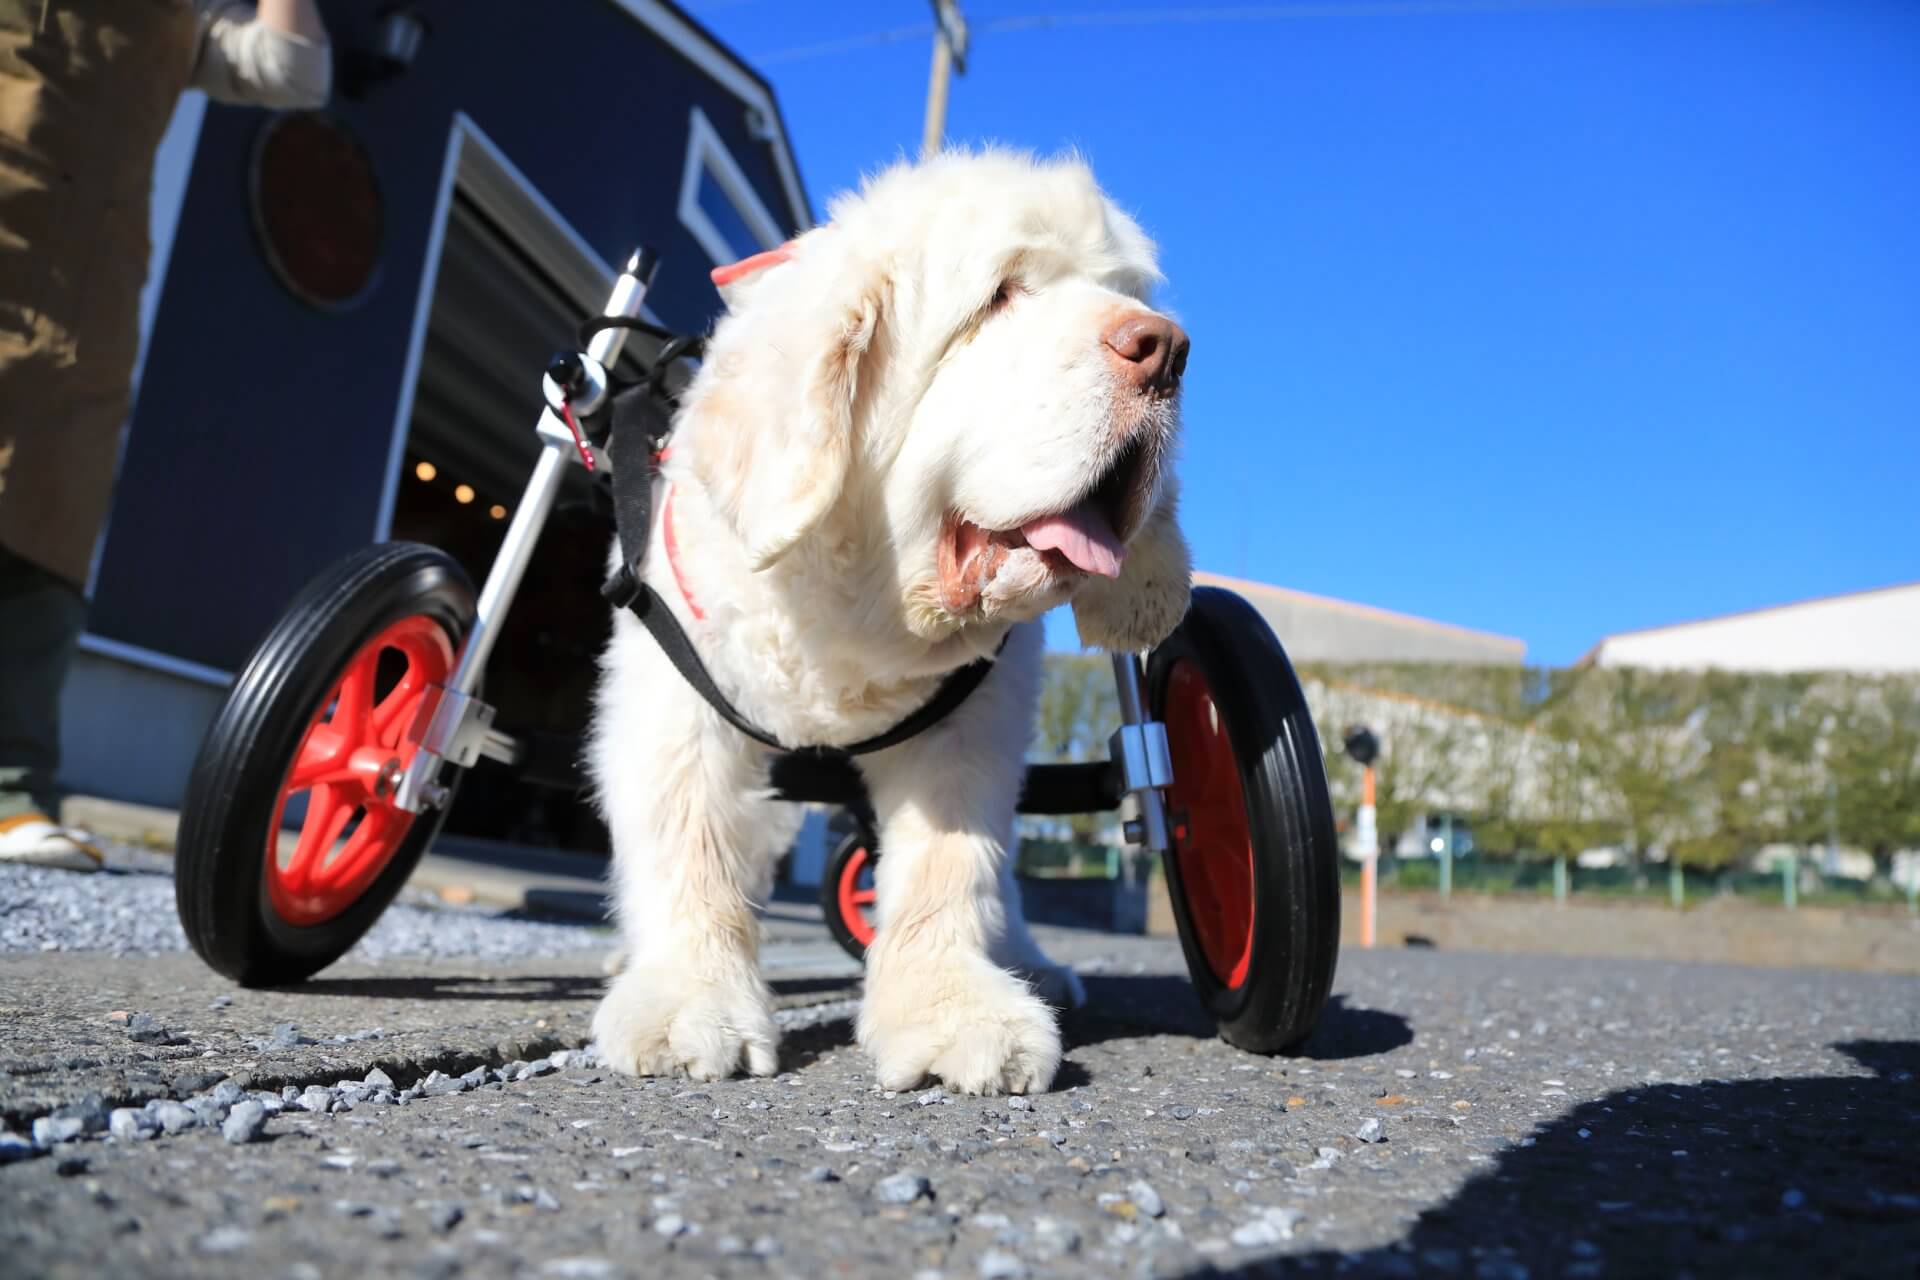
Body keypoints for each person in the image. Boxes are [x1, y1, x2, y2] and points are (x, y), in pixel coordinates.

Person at [0, 0, 331, 869]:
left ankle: (10, 787)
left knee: (49, 513)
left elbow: (294, 73)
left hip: (83, 285)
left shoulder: (178, 15)